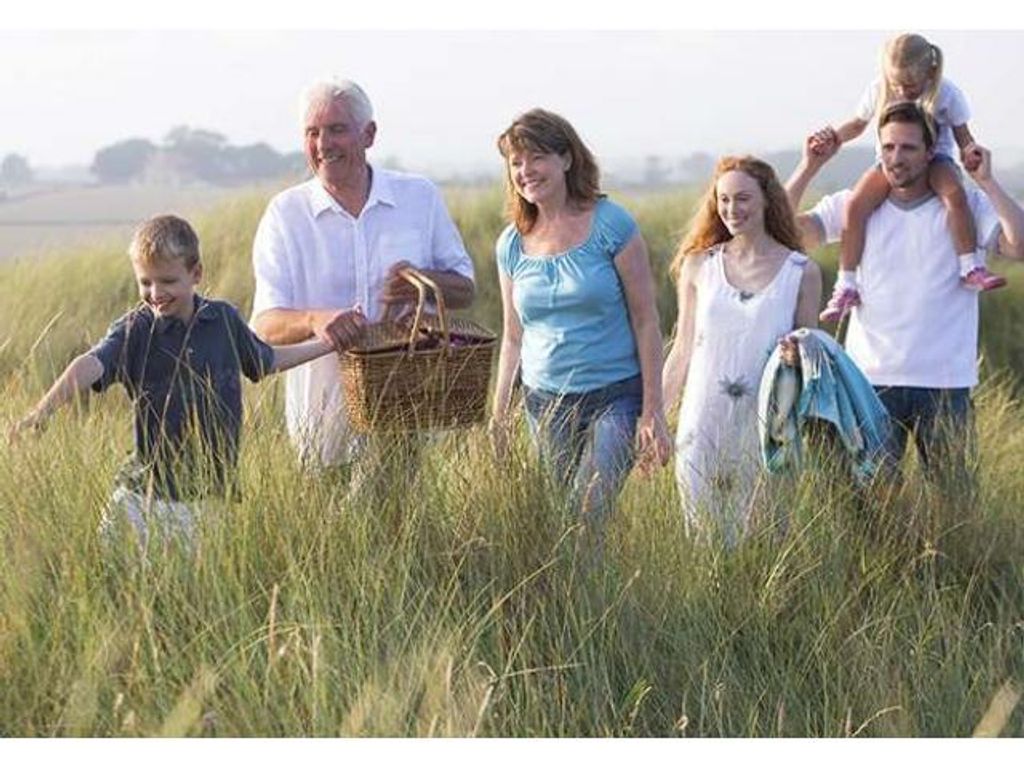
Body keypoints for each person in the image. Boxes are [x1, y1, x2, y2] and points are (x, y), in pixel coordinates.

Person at [8, 215, 337, 546]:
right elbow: (89, 364)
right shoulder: (135, 329)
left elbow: (266, 360)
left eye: (167, 281)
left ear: (196, 274)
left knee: (204, 578)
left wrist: (328, 344)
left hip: (211, 500)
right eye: (145, 282)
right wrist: (41, 412)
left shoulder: (223, 320)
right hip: (142, 501)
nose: (155, 293)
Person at [787, 101, 1024, 483]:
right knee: (875, 504)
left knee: (954, 501)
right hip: (869, 383)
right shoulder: (853, 206)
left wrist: (987, 182)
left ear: (931, 152)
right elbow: (785, 234)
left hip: (946, 385)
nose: (896, 158)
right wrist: (809, 166)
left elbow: (1019, 246)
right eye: (888, 147)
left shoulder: (967, 206)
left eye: (908, 148)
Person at [250, 77, 475, 469]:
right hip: (321, 428)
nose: (323, 144)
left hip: (410, 417)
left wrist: (422, 284)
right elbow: (264, 326)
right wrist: (316, 320)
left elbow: (465, 290)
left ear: (369, 134)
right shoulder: (285, 213)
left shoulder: (419, 197)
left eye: (336, 129)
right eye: (312, 133)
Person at [489, 108, 671, 527]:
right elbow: (513, 337)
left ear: (567, 159)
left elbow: (646, 321)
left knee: (587, 513)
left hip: (615, 399)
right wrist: (499, 417)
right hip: (544, 404)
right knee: (558, 523)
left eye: (537, 157)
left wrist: (653, 410)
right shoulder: (511, 244)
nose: (525, 171)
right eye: (516, 162)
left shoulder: (612, 224)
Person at [662, 156, 822, 545]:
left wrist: (798, 356)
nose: (732, 209)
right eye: (724, 199)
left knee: (765, 540)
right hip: (702, 425)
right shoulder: (699, 266)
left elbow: (810, 357)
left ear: (767, 199)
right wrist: (655, 416)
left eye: (743, 198)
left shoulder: (801, 272)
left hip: (769, 427)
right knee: (702, 540)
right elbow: (682, 349)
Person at [814, 32, 1005, 323]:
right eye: (896, 85)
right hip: (890, 163)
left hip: (937, 158)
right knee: (855, 205)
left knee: (954, 194)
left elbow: (963, 135)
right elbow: (857, 124)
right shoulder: (878, 90)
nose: (903, 91)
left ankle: (969, 266)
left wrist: (970, 153)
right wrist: (834, 138)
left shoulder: (947, 93)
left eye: (911, 86)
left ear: (930, 72)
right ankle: (846, 285)